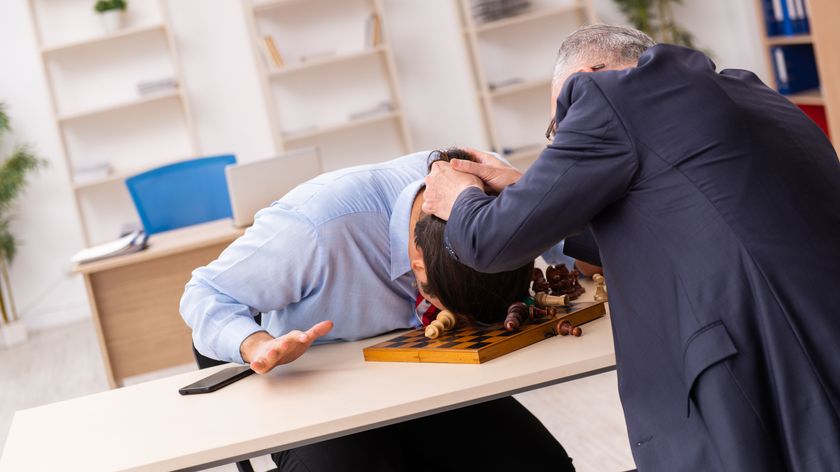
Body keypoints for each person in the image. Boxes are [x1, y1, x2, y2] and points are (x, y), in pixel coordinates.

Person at [422, 24, 840, 471]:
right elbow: (679, 219)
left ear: (587, 75)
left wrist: (458, 195)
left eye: (557, 129)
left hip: (758, 387)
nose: (561, 140)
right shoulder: (744, 90)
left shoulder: (607, 95)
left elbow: (489, 244)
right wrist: (530, 191)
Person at [180, 149, 576, 471]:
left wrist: (534, 194)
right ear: (417, 266)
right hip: (320, 397)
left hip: (433, 378)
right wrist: (255, 342)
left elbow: (574, 250)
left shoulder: (486, 183)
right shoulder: (317, 227)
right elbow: (205, 293)